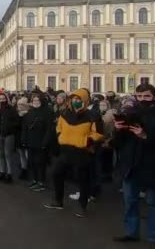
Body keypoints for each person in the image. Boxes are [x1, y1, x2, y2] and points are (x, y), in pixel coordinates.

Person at [113, 84, 155, 247]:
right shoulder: (130, 113)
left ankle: (154, 237)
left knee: (154, 203)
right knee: (130, 201)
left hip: (154, 167)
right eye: (139, 96)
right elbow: (118, 143)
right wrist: (118, 130)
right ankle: (131, 232)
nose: (142, 100)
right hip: (132, 165)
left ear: (153, 96)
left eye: (146, 96)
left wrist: (145, 136)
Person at [43, 88, 103, 217]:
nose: (76, 101)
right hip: (66, 150)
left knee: (82, 180)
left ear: (85, 101)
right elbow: (59, 128)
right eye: (74, 98)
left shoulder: (92, 116)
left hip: (82, 152)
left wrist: (88, 142)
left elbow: (98, 134)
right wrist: (61, 137)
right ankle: (58, 201)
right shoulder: (65, 114)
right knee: (56, 173)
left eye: (79, 99)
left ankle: (82, 206)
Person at [22, 94, 53, 192]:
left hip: (41, 142)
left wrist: (45, 142)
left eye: (37, 101)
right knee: (32, 162)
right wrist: (24, 139)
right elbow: (25, 127)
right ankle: (35, 180)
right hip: (31, 141)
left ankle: (41, 182)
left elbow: (49, 129)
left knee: (40, 163)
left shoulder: (47, 112)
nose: (35, 102)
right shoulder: (30, 112)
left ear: (41, 102)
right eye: (34, 101)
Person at [0, 93, 20, 183]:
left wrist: (9, 127)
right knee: (0, 154)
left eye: (3, 98)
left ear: (6, 99)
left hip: (9, 134)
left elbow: (17, 122)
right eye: (0, 99)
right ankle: (2, 172)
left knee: (8, 154)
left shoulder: (11, 109)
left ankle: (9, 173)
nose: (2, 100)